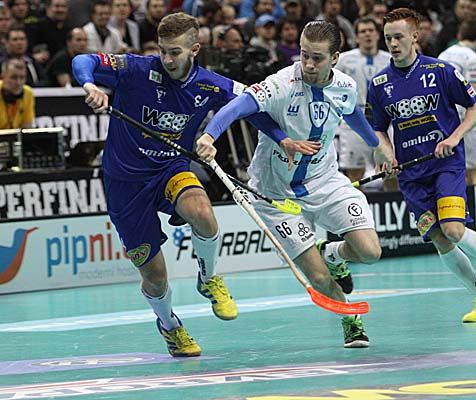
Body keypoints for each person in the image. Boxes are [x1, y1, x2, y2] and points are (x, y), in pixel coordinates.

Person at [72, 12, 288, 357]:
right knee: (155, 276)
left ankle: (209, 278)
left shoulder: (210, 85)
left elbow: (253, 107)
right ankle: (170, 325)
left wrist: (282, 139)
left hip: (170, 169)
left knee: (202, 212)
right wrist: (90, 85)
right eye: (163, 51)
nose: (168, 59)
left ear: (195, 50)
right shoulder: (136, 69)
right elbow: (83, 60)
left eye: (175, 52)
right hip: (125, 184)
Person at [195, 21, 395, 348]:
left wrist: (376, 144)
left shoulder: (344, 85)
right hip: (275, 195)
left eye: (317, 58)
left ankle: (332, 252)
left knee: (370, 252)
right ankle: (351, 320)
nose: (309, 65)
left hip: (325, 181)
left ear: (335, 58)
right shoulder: (282, 83)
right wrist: (209, 135)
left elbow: (351, 113)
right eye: (304, 55)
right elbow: (237, 106)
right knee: (318, 277)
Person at [367, 8, 476, 323]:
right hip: (410, 173)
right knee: (439, 238)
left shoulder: (440, 70)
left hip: (445, 165)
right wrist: (386, 156)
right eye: (388, 38)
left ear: (415, 36)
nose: (393, 44)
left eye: (398, 37)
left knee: (453, 229)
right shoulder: (379, 83)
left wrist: (454, 137)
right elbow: (378, 130)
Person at [335, 16, 397, 191]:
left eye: (371, 31)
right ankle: (356, 207)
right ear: (356, 37)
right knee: (355, 172)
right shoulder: (344, 60)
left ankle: (393, 204)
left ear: (378, 35)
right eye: (363, 31)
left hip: (385, 121)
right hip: (355, 119)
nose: (367, 35)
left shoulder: (390, 59)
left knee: (391, 169)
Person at [438, 19, 476, 186]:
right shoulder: (474, 59)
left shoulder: (443, 55)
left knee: (453, 169)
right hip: (466, 119)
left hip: (444, 117)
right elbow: (474, 95)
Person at [0, 58, 34, 129]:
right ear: (3, 77)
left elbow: (27, 126)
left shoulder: (28, 93)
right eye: (13, 77)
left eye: (22, 78)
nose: (18, 82)